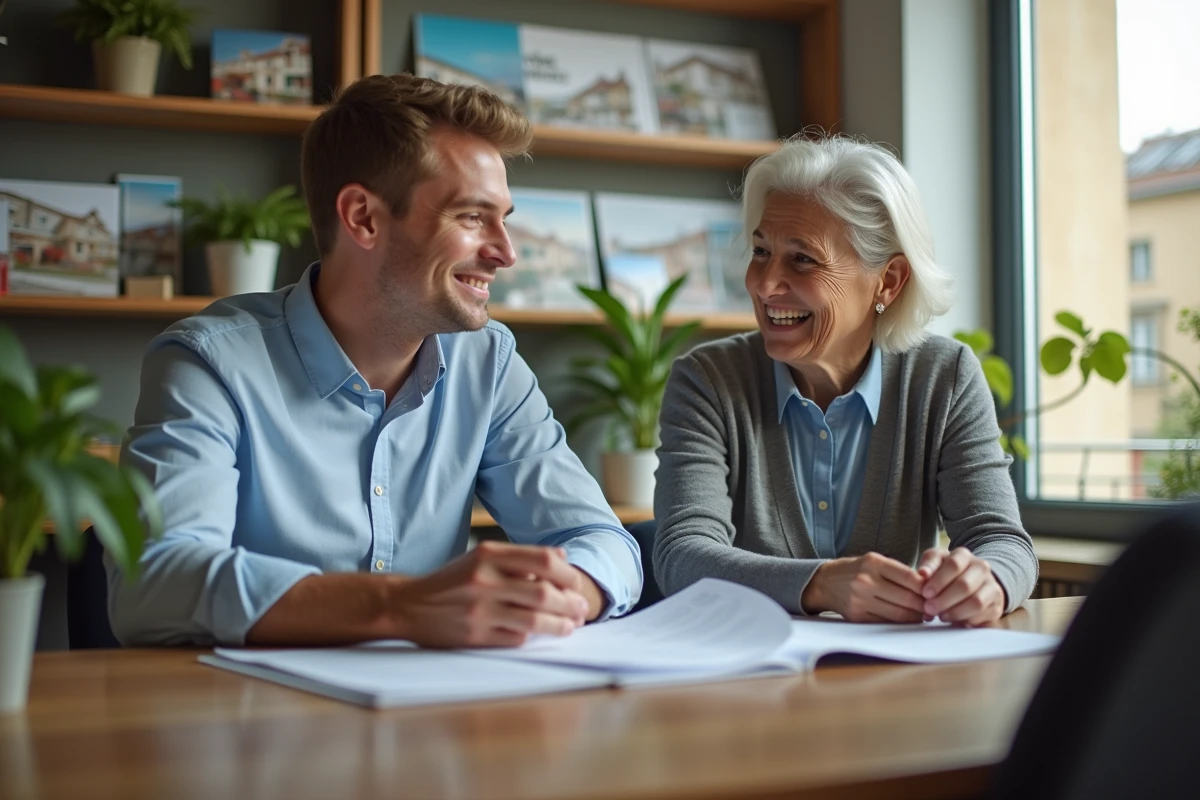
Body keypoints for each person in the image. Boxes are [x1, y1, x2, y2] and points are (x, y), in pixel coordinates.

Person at [107, 74, 642, 647]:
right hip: (248, 721)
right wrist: (406, 605)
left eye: (504, 218)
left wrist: (563, 590)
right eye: (470, 217)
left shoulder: (488, 362)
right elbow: (154, 583)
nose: (505, 253)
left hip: (433, 716)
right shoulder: (209, 362)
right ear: (362, 217)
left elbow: (602, 540)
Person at [653, 135, 1036, 626]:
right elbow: (682, 557)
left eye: (803, 259)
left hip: (895, 682)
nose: (765, 285)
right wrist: (823, 584)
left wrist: (988, 580)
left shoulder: (946, 377)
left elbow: (1004, 541)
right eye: (761, 251)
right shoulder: (707, 381)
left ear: (889, 281)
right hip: (748, 680)